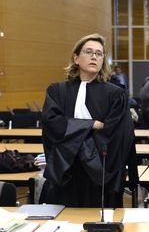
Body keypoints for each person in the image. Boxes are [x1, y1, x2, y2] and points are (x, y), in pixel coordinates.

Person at [41, 33, 137, 207]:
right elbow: (52, 124)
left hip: (101, 172)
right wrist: (90, 124)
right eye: (89, 52)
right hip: (66, 169)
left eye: (99, 54)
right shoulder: (57, 91)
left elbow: (118, 135)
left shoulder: (115, 94)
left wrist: (75, 139)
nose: (94, 56)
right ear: (76, 58)